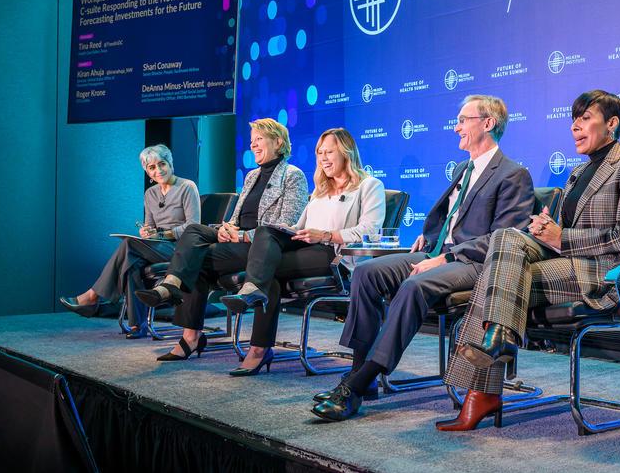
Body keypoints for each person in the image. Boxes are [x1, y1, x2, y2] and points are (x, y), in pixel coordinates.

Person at [435, 90, 620, 431]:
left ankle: (483, 387)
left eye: (585, 119)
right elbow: (564, 236)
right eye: (574, 120)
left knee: (496, 278)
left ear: (612, 123)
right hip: (571, 262)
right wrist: (545, 231)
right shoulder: (576, 173)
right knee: (506, 238)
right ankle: (497, 335)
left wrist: (561, 237)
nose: (575, 127)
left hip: (608, 273)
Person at [311, 94, 534, 422]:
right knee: (366, 273)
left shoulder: (514, 175)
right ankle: (360, 372)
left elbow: (505, 240)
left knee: (415, 285)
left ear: (488, 124)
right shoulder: (463, 169)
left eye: (463, 120)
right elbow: (449, 217)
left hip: (473, 264)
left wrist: (446, 257)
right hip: (439, 253)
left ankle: (356, 386)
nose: (456, 127)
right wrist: (430, 241)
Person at [135, 118, 308, 360]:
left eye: (259, 139)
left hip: (262, 246)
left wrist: (242, 235)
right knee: (194, 231)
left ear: (278, 141)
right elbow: (237, 217)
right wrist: (227, 228)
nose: (254, 145)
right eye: (252, 141)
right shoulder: (251, 176)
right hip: (236, 239)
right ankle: (172, 286)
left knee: (196, 260)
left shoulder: (293, 176)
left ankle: (190, 336)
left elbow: (285, 225)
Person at [219, 128, 385, 376]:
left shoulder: (369, 185)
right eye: (320, 153)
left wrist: (327, 235)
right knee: (267, 256)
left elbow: (370, 230)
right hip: (307, 250)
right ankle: (258, 346)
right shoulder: (320, 191)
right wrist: (283, 230)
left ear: (346, 153)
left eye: (329, 152)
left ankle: (254, 309)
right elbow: (298, 228)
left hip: (335, 257)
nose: (323, 158)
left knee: (265, 268)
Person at [59, 145, 200, 339]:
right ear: (147, 171)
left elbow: (194, 227)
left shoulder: (187, 187)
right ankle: (137, 325)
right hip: (156, 247)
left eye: (162, 164)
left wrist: (164, 234)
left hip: (180, 249)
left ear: (170, 164)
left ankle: (93, 296)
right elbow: (150, 226)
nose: (158, 170)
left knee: (128, 246)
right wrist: (146, 231)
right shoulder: (150, 194)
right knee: (130, 262)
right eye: (152, 167)